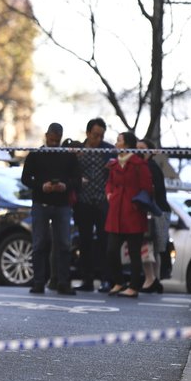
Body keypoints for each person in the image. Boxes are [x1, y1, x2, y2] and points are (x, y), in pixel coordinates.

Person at [21, 123, 81, 296]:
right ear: (46, 135)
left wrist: (65, 186)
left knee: (63, 244)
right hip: (41, 203)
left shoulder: (68, 157)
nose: (54, 143)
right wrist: (41, 186)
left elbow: (77, 180)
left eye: (57, 140)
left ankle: (62, 281)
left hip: (61, 205)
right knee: (39, 243)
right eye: (51, 139)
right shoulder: (36, 155)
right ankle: (39, 281)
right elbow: (26, 178)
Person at [105, 131, 153, 298]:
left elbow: (146, 187)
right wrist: (109, 193)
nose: (116, 143)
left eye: (119, 141)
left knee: (134, 253)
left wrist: (136, 204)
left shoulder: (139, 164)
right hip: (116, 211)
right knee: (111, 250)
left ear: (126, 144)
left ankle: (133, 286)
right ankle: (119, 281)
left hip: (133, 213)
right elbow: (110, 183)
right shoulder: (114, 163)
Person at [72, 118, 116, 292]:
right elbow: (69, 172)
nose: (98, 139)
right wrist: (77, 180)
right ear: (88, 133)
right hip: (83, 202)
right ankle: (87, 279)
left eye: (101, 135)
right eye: (95, 135)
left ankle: (106, 279)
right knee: (85, 242)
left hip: (102, 202)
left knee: (104, 242)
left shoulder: (109, 150)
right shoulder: (77, 151)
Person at [137, 138, 170, 294]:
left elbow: (150, 190)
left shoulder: (149, 167)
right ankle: (154, 279)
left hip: (154, 211)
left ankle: (150, 279)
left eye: (142, 148)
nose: (139, 151)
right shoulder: (153, 166)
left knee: (148, 245)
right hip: (159, 210)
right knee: (154, 248)